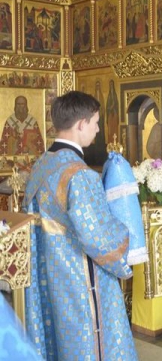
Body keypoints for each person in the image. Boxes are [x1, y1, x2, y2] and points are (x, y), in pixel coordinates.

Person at [22, 91, 137, 360]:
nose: (98, 129)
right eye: (96, 122)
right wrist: (127, 234)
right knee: (89, 340)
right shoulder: (79, 173)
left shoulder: (42, 164)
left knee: (59, 340)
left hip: (50, 272)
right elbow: (98, 236)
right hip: (79, 278)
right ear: (81, 124)